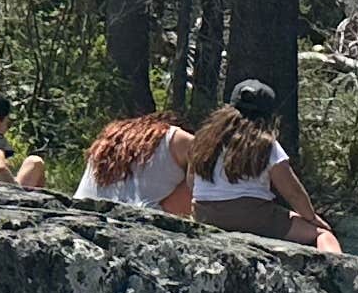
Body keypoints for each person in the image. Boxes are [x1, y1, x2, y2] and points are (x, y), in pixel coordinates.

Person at [77, 79, 336, 251]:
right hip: (252, 215)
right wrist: (313, 219)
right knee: (321, 236)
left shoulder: (206, 141)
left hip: (205, 215)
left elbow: (192, 182)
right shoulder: (266, 143)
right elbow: (291, 190)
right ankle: (339, 276)